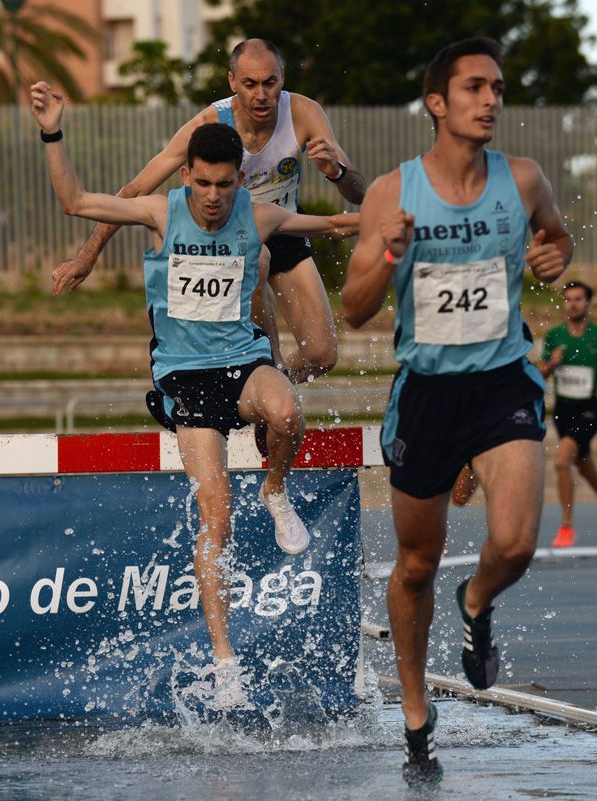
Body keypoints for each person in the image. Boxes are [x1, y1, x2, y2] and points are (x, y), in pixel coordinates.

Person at [30, 81, 359, 709]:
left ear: (241, 179)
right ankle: (225, 659)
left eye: (225, 185)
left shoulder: (259, 215)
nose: (212, 199)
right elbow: (75, 201)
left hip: (243, 362)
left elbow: (340, 222)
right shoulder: (161, 211)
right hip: (184, 377)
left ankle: (277, 488)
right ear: (188, 176)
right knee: (217, 517)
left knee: (287, 408)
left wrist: (404, 212)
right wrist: (53, 131)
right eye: (203, 185)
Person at [340, 37, 572, 786]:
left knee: (515, 541)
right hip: (428, 393)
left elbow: (556, 238)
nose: (491, 100)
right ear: (437, 103)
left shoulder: (524, 179)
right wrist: (387, 257)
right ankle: (416, 717)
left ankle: (476, 605)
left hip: (503, 380)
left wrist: (554, 256)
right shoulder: (391, 194)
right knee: (415, 564)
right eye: (474, 87)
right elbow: (354, 312)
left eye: (498, 87)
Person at [51, 38, 367, 389]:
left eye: (270, 83)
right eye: (250, 84)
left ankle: (274, 387)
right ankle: (265, 372)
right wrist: (87, 255)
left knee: (323, 355)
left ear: (283, 78)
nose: (261, 95)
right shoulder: (209, 125)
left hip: (284, 223)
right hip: (230, 240)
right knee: (256, 255)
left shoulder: (304, 114)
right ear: (232, 81)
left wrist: (336, 172)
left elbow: (358, 194)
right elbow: (136, 190)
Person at [536, 280, 597, 547]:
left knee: (562, 461)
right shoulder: (554, 336)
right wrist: (552, 363)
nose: (572, 304)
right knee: (584, 467)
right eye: (568, 299)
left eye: (578, 299)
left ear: (587, 303)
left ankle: (566, 527)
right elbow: (541, 371)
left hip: (589, 409)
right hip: (563, 411)